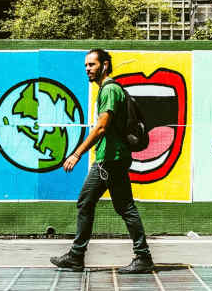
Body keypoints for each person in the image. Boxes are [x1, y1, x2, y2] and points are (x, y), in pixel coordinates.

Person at [50, 49, 154, 274]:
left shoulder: (109, 90)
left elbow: (101, 127)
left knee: (92, 203)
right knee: (118, 206)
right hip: (114, 158)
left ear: (105, 65)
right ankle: (140, 255)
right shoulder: (113, 89)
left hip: (109, 159)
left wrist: (77, 153)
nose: (87, 69)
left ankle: (79, 256)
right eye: (86, 65)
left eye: (92, 65)